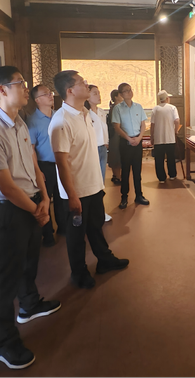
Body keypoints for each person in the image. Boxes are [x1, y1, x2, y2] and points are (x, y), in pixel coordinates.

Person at [0, 66, 60, 370]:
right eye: (20, 83)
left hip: (32, 202)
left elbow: (33, 163)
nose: (26, 88)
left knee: (29, 262)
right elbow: (5, 185)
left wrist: (45, 197)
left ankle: (29, 304)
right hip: (12, 210)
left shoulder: (19, 122)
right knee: (4, 279)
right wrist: (36, 208)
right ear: (2, 90)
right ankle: (5, 342)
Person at [49, 70, 129, 290]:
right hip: (76, 191)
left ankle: (104, 259)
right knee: (76, 235)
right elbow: (61, 163)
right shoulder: (61, 121)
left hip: (93, 185)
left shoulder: (85, 113)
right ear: (70, 90)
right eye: (81, 82)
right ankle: (79, 273)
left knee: (95, 226)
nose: (86, 84)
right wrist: (72, 195)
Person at [27, 85, 69, 245]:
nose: (51, 96)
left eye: (50, 93)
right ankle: (48, 234)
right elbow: (31, 149)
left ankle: (63, 227)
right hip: (45, 165)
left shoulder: (59, 116)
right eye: (46, 94)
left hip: (61, 163)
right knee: (45, 199)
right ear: (37, 100)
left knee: (61, 197)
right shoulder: (32, 121)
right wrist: (37, 170)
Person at [111, 83, 149, 209]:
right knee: (125, 171)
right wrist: (128, 138)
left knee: (137, 171)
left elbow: (143, 124)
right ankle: (124, 197)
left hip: (137, 141)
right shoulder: (117, 108)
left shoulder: (138, 107)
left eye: (130, 90)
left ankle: (139, 195)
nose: (129, 92)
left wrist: (139, 138)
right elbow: (117, 127)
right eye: (126, 91)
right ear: (121, 94)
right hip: (125, 143)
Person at [85, 84, 112, 222]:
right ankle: (94, 212)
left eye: (99, 92)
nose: (99, 95)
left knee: (101, 181)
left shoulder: (101, 112)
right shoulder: (85, 112)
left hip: (102, 148)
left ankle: (100, 211)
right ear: (87, 96)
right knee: (92, 181)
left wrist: (106, 142)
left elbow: (104, 130)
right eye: (95, 93)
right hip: (91, 149)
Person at [150, 90, 180, 183]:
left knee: (159, 159)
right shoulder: (172, 108)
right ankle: (172, 175)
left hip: (158, 138)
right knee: (171, 157)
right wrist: (175, 131)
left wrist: (152, 136)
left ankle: (161, 178)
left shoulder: (155, 109)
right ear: (167, 98)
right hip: (170, 137)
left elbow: (152, 125)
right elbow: (177, 120)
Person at [107, 89, 123, 184]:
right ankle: (117, 176)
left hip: (119, 135)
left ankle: (117, 175)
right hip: (115, 135)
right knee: (116, 155)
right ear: (116, 97)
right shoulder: (115, 109)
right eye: (120, 95)